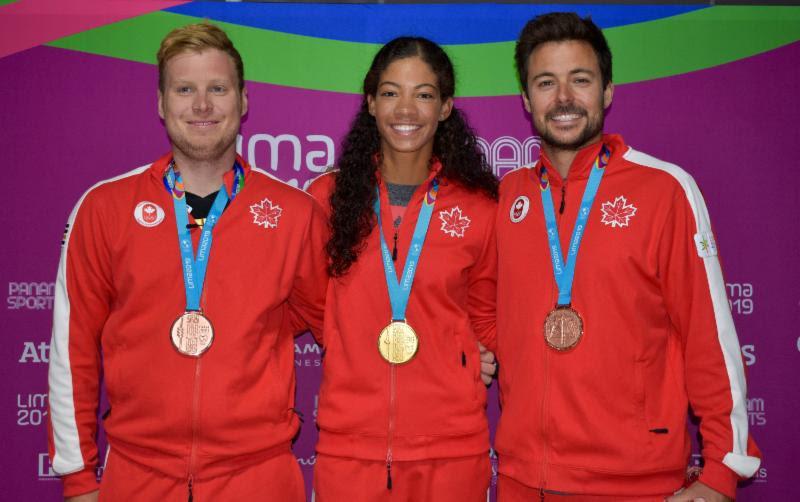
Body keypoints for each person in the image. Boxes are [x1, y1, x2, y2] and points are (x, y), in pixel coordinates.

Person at [47, 23, 326, 501]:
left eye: (217, 88)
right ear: (160, 103)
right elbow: (71, 350)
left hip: (258, 477)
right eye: (185, 89)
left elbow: (339, 326)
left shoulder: (294, 214)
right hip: (138, 476)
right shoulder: (105, 208)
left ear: (243, 101)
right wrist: (77, 478)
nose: (202, 105)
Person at [494, 12, 761, 502]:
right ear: (526, 100)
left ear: (608, 91)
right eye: (546, 82)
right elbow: (489, 311)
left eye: (581, 80)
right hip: (522, 480)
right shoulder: (509, 194)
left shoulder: (665, 190)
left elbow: (710, 334)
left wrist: (722, 470)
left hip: (635, 484)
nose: (564, 98)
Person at [306, 37, 499, 501]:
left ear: (446, 107)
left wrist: (467, 354)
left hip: (451, 450)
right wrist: (350, 342)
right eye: (391, 93)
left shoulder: (480, 207)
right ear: (370, 103)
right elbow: (314, 305)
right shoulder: (326, 199)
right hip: (350, 450)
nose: (405, 109)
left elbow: (487, 311)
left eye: (424, 94)